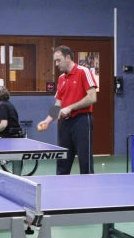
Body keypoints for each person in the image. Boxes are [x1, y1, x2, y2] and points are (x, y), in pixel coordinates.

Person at [37, 46, 98, 174]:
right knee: (62, 160)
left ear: (68, 57)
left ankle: (89, 189)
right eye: (55, 61)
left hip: (82, 120)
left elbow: (92, 97)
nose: (56, 64)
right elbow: (58, 104)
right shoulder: (61, 79)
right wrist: (47, 121)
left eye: (58, 60)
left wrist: (70, 107)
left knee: (84, 160)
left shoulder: (83, 71)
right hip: (65, 123)